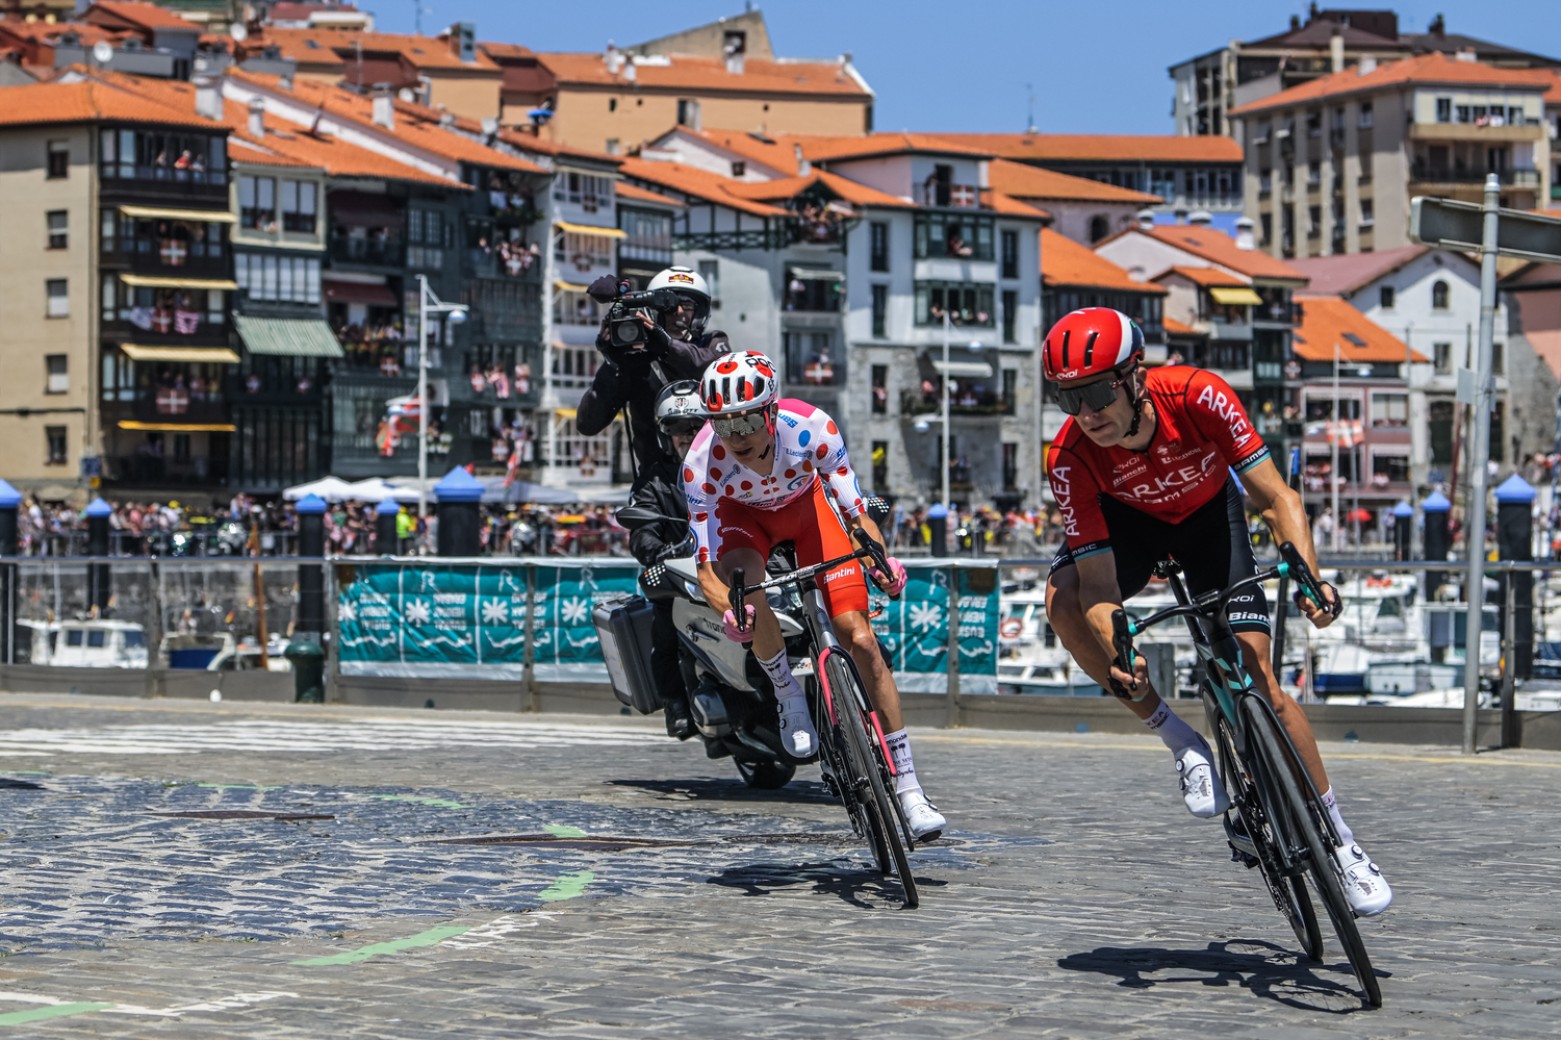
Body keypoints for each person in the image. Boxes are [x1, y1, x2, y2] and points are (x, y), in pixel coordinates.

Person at [1039, 307, 1391, 916]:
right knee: (1063, 605)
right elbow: (1100, 587)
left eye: (1097, 392)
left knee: (1258, 674)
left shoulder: (1199, 395)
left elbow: (1276, 497)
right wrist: (1122, 651)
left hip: (1209, 521)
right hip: (1129, 529)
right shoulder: (1069, 454)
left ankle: (1341, 843)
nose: (1088, 413)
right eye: (1069, 398)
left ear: (1134, 376)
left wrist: (1308, 577)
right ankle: (1183, 744)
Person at [683, 351, 947, 840]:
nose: (736, 435)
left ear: (771, 410)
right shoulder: (701, 462)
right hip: (745, 522)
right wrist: (730, 609)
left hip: (810, 513)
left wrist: (879, 562)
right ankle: (787, 691)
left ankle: (910, 789)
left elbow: (855, 512)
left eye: (745, 419)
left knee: (860, 639)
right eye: (723, 423)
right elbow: (707, 569)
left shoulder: (812, 428)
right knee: (747, 587)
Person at [577, 266, 728, 480]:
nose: (678, 313)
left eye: (687, 305)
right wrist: (613, 363)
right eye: (669, 307)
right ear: (654, 311)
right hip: (655, 484)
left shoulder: (714, 343)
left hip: (716, 477)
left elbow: (708, 365)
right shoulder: (638, 361)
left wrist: (666, 345)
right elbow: (588, 424)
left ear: (700, 312)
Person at [623, 380, 704, 739]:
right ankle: (675, 701)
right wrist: (657, 551)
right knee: (666, 623)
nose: (686, 435)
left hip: (737, 566)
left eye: (695, 425)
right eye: (675, 428)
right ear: (664, 434)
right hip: (683, 573)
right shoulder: (655, 479)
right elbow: (641, 526)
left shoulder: (736, 465)